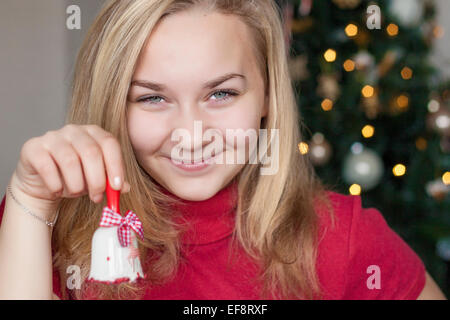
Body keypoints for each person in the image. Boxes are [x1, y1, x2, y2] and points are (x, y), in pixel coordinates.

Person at [0, 0, 446, 300]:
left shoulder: (344, 239)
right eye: (152, 98)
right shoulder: (43, 224)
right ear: (113, 103)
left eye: (221, 94)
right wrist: (30, 200)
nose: (192, 134)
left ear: (268, 94)